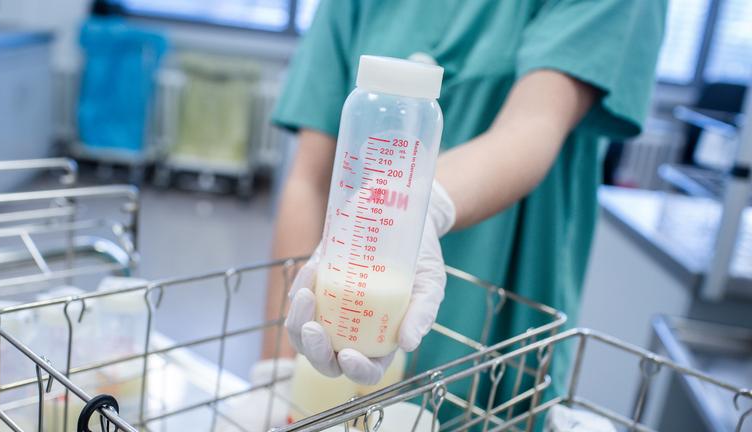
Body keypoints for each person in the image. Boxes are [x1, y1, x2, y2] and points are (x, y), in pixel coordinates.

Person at [261, 0, 666, 412]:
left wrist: (423, 208)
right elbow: (309, 180)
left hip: (501, 331)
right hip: (350, 308)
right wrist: (275, 374)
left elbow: (535, 124)